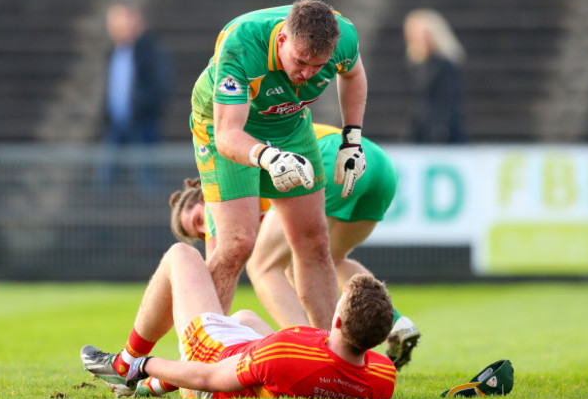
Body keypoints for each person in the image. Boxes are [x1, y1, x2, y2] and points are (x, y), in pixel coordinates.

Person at [169, 123, 421, 372]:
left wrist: (198, 353)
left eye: (198, 221)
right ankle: (397, 324)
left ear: (202, 197)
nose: (205, 231)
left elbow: (214, 281)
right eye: (198, 234)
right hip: (376, 166)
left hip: (328, 158)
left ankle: (309, 354)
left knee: (262, 265)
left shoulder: (217, 193)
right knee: (327, 262)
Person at [189, 0, 368, 330]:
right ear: (283, 39)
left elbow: (354, 75)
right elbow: (228, 134)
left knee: (314, 241)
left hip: (288, 122)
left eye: (318, 67)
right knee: (236, 243)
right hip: (226, 124)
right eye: (301, 62)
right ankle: (200, 359)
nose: (307, 74)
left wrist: (352, 140)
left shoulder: (345, 38)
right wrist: (269, 157)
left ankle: (328, 356)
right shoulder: (242, 43)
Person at [80, 242, 397, 399]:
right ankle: (151, 388)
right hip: (261, 360)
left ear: (338, 322)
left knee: (182, 255)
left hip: (211, 361)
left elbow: (208, 378)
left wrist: (146, 364)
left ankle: (125, 365)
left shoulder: (285, 353)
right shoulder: (383, 376)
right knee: (245, 317)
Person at [95, 3, 173, 191]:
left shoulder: (150, 51)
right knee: (105, 177)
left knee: (147, 176)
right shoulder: (113, 52)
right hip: (116, 121)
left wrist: (143, 108)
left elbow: (159, 85)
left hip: (142, 120)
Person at [403, 9, 468, 144]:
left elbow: (446, 101)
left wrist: (439, 129)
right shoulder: (417, 65)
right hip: (422, 132)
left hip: (441, 134)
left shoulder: (443, 65)